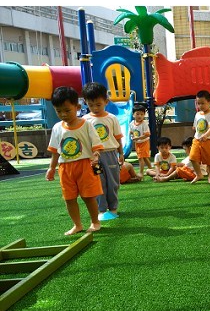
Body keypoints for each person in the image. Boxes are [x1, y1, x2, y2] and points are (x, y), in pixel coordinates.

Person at [45, 86, 104, 235]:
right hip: (65, 168)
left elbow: (96, 145)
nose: (63, 114)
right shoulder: (57, 128)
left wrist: (96, 155)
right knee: (69, 198)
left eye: (67, 110)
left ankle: (95, 222)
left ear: (77, 107)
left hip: (85, 165)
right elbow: (55, 151)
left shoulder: (87, 124)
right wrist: (51, 168)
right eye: (58, 111)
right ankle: (77, 225)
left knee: (88, 197)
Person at [82, 82, 124, 221]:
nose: (95, 108)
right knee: (98, 182)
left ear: (106, 101)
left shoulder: (112, 118)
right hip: (94, 157)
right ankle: (101, 209)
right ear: (85, 103)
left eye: (98, 104)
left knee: (113, 182)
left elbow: (117, 138)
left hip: (110, 154)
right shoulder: (85, 120)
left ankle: (113, 208)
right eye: (91, 105)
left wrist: (121, 153)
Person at [190, 90, 210, 184]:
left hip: (209, 141)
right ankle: (199, 174)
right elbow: (196, 126)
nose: (200, 106)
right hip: (197, 140)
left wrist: (206, 135)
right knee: (192, 157)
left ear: (209, 102)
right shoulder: (198, 114)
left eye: (203, 103)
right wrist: (195, 129)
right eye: (198, 103)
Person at [129, 102, 152, 176]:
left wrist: (138, 138)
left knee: (140, 157)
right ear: (133, 115)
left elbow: (147, 134)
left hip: (144, 142)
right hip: (137, 143)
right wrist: (131, 134)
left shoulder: (144, 124)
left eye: (142, 114)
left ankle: (141, 172)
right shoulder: (132, 123)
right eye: (137, 114)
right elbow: (131, 131)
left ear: (144, 115)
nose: (140, 116)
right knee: (144, 157)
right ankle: (151, 169)